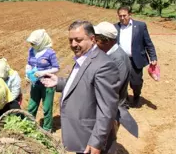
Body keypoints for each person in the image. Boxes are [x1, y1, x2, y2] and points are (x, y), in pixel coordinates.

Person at [41, 21, 121, 154]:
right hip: (82, 136)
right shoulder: (83, 58)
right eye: (70, 40)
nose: (73, 44)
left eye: (78, 40)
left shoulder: (104, 66)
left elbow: (107, 109)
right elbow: (82, 83)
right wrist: (59, 82)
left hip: (91, 138)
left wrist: (97, 141)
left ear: (92, 39)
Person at [94, 21, 138, 138]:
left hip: (111, 110)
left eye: (97, 40)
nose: (94, 43)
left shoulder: (118, 60)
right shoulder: (108, 54)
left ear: (106, 41)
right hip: (105, 106)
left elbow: (113, 88)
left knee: (106, 140)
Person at [115, 6, 158, 107]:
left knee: (136, 82)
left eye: (124, 15)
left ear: (130, 14)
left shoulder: (140, 26)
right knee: (121, 81)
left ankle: (136, 95)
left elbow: (148, 43)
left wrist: (153, 57)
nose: (122, 18)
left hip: (135, 59)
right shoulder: (115, 27)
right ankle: (124, 100)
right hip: (120, 60)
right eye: (120, 16)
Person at [26, 29, 59, 132]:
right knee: (32, 105)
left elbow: (56, 68)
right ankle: (28, 125)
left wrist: (43, 73)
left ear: (41, 42)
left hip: (47, 84)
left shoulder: (50, 52)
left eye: (34, 43)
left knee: (47, 107)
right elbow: (29, 63)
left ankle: (47, 129)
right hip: (35, 83)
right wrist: (27, 72)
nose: (32, 44)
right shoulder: (31, 50)